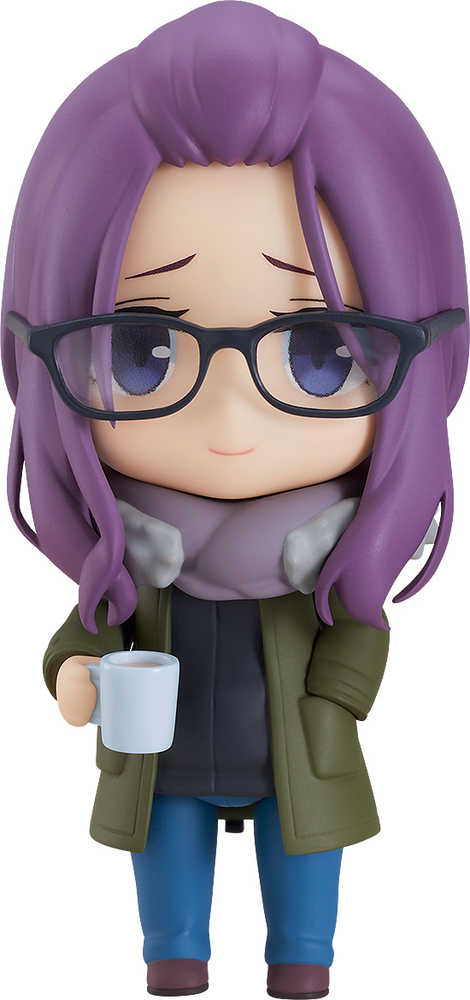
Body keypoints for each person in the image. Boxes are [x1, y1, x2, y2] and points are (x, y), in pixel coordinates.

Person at [2, 4, 467, 998]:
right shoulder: (129, 547)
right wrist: (75, 673)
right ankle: (173, 950)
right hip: (162, 764)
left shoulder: (330, 551)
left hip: (296, 755)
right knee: (168, 894)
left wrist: (330, 703)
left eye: (317, 352)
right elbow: (86, 630)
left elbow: (360, 630)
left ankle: (301, 954)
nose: (229, 420)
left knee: (304, 889)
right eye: (142, 349)